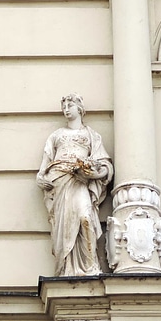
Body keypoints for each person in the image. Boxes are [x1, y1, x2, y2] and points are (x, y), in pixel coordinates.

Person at [36, 94, 113, 276]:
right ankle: (67, 267)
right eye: (64, 106)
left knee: (85, 218)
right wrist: (41, 177)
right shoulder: (56, 136)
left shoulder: (91, 135)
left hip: (80, 181)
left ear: (80, 108)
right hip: (60, 180)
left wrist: (95, 173)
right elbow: (45, 164)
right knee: (64, 224)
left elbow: (104, 164)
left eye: (70, 105)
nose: (66, 109)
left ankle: (90, 265)